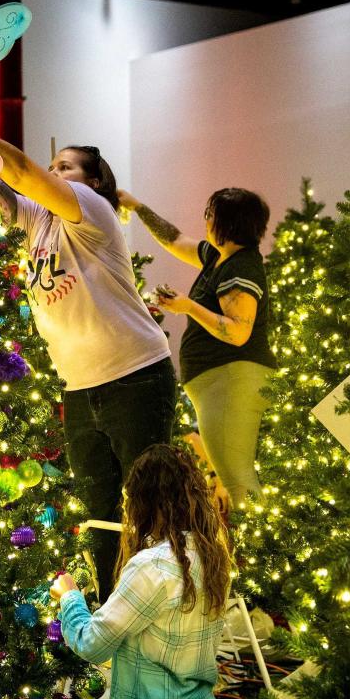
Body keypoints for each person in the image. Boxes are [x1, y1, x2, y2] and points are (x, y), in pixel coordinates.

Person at [0, 103, 176, 598]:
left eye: (66, 166)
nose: (55, 172)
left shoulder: (91, 209)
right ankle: (112, 624)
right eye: (54, 165)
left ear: (93, 181)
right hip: (81, 388)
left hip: (136, 376)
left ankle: (164, 618)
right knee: (101, 516)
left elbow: (19, 169)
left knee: (149, 510)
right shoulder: (36, 219)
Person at [51, 444, 232, 699]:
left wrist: (70, 596)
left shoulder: (153, 567)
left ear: (141, 502)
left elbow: (93, 645)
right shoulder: (209, 551)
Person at [120, 187, 276, 510]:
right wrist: (137, 206)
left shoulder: (242, 269)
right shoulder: (219, 257)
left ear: (230, 224)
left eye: (210, 214)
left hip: (232, 382)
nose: (205, 221)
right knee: (233, 477)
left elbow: (237, 332)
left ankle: (258, 552)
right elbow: (174, 240)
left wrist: (188, 306)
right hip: (219, 385)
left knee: (237, 480)